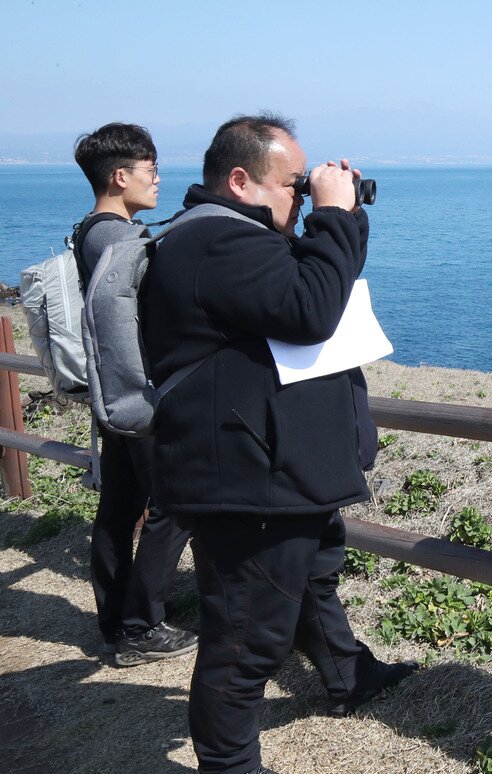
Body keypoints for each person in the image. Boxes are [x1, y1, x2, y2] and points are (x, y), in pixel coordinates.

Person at [140, 113, 414, 774]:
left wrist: (335, 217)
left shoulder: (227, 241)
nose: (302, 196)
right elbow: (313, 306)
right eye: (294, 184)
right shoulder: (214, 242)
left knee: (314, 574)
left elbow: (309, 291)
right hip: (247, 479)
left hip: (273, 471)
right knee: (243, 646)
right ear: (241, 180)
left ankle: (350, 676)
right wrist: (336, 216)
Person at [71, 122, 198, 666]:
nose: (158, 179)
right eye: (150, 171)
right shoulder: (117, 237)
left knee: (120, 506)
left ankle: (116, 622)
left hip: (116, 393)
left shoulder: (87, 230)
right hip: (140, 394)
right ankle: (141, 625)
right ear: (120, 176)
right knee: (176, 505)